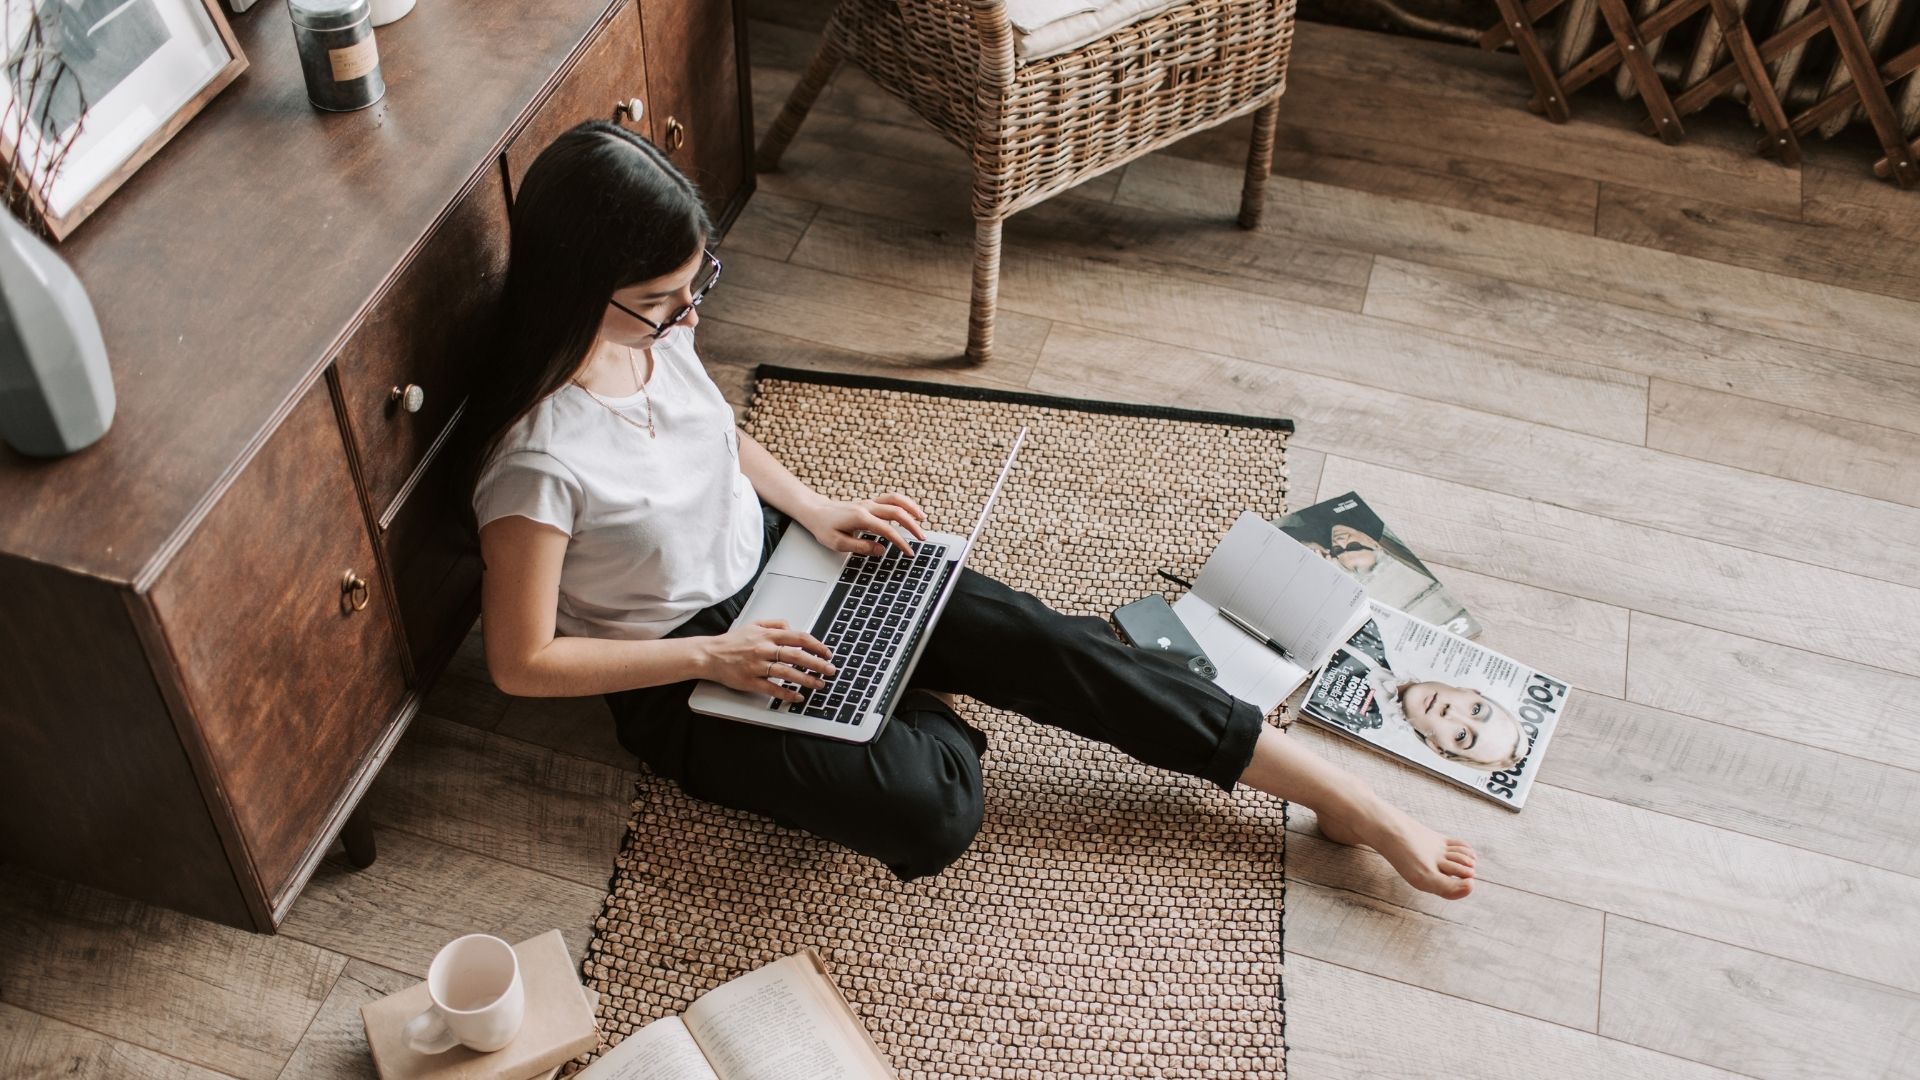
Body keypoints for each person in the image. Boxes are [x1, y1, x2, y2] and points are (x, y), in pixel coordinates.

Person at [447, 120, 1480, 900]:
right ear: (589, 284)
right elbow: (521, 662)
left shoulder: (652, 336)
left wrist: (815, 507)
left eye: (696, 283)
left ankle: (1349, 802)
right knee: (934, 811)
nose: (692, 313)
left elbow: (712, 432)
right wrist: (714, 661)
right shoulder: (538, 461)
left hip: (775, 559)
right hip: (683, 667)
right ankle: (906, 689)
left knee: (1060, 649)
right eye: (669, 297)